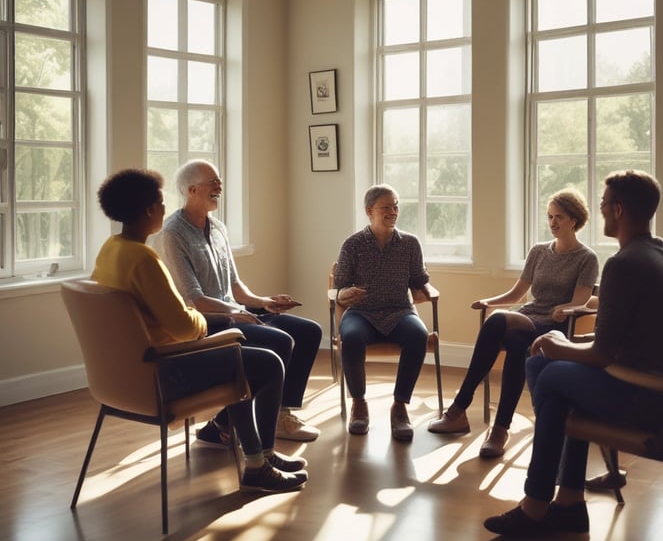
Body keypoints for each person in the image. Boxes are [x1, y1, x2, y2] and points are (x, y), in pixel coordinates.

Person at [483, 170, 663, 539]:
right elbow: (617, 341)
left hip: (649, 402)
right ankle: (567, 500)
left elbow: (601, 355)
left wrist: (559, 345)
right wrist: (560, 344)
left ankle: (538, 504)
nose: (599, 212)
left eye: (602, 205)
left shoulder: (624, 264)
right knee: (543, 364)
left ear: (618, 208)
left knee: (549, 378)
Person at [91, 168, 308, 494]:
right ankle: (259, 461)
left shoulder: (111, 250)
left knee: (238, 357)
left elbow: (169, 317)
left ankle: (257, 459)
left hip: (129, 373)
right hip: (166, 370)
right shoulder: (144, 259)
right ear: (150, 209)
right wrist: (223, 322)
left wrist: (228, 316)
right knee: (266, 363)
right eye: (162, 203)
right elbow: (183, 326)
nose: (166, 209)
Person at [153, 159, 323, 444]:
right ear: (192, 189)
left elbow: (235, 284)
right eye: (213, 182)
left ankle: (279, 413)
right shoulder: (171, 235)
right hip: (209, 323)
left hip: (235, 313)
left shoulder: (218, 228)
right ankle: (229, 423)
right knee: (280, 341)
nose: (220, 187)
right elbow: (195, 299)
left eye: (219, 181)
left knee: (310, 331)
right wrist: (236, 312)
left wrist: (264, 301)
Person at [428, 189, 598, 458]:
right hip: (528, 318)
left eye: (559, 217)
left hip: (554, 328)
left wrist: (564, 309)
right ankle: (499, 429)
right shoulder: (539, 251)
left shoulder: (586, 258)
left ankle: (460, 410)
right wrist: (488, 301)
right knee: (514, 339)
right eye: (550, 217)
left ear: (574, 220)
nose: (552, 223)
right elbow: (518, 294)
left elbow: (581, 301)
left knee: (499, 323)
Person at [333, 184, 436, 441]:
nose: (393, 211)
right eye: (386, 207)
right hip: (361, 313)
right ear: (370, 211)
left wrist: (427, 289)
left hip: (399, 311)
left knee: (418, 336)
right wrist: (343, 295)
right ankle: (359, 403)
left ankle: (400, 407)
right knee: (352, 338)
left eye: (396, 206)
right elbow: (339, 287)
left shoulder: (410, 243)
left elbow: (420, 279)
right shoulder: (353, 244)